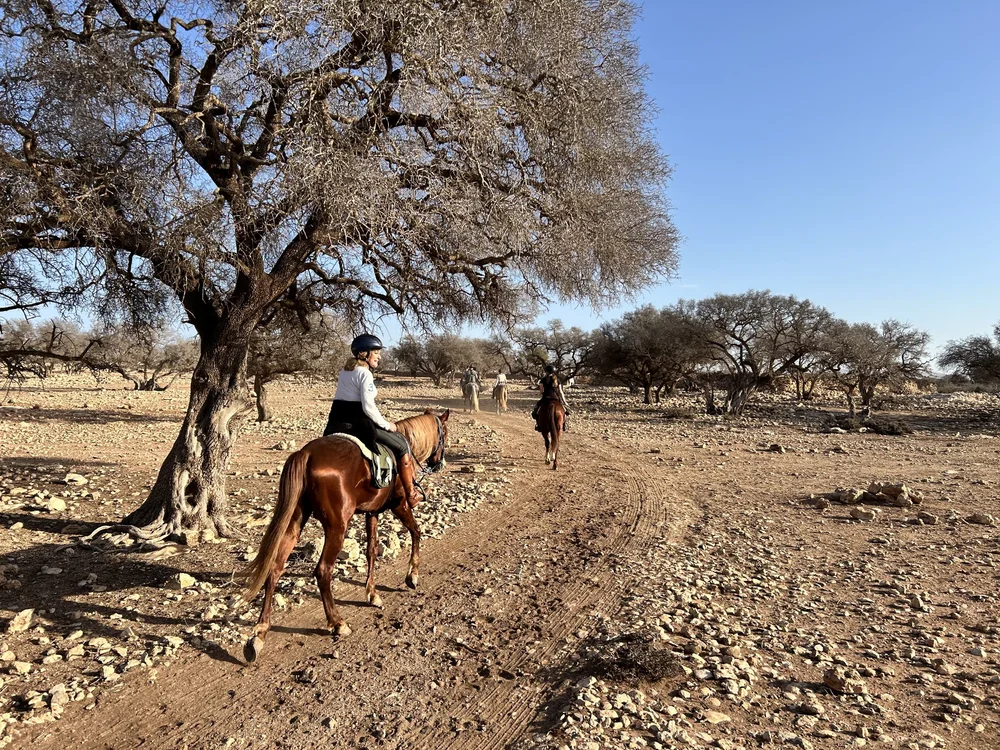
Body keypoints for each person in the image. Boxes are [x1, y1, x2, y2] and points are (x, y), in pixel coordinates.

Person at [323, 334, 419, 506]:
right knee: (402, 445)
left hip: (336, 422)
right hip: (357, 423)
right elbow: (368, 407)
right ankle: (411, 494)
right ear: (363, 354)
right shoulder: (365, 374)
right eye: (376, 353)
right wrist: (386, 424)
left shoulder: (346, 371)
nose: (379, 356)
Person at [531, 364, 570, 431]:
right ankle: (564, 424)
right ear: (553, 371)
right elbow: (561, 392)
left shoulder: (543, 380)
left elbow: (541, 391)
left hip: (546, 398)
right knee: (565, 410)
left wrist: (544, 394)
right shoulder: (558, 380)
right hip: (556, 398)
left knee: (536, 410)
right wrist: (565, 402)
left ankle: (538, 424)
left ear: (546, 371)